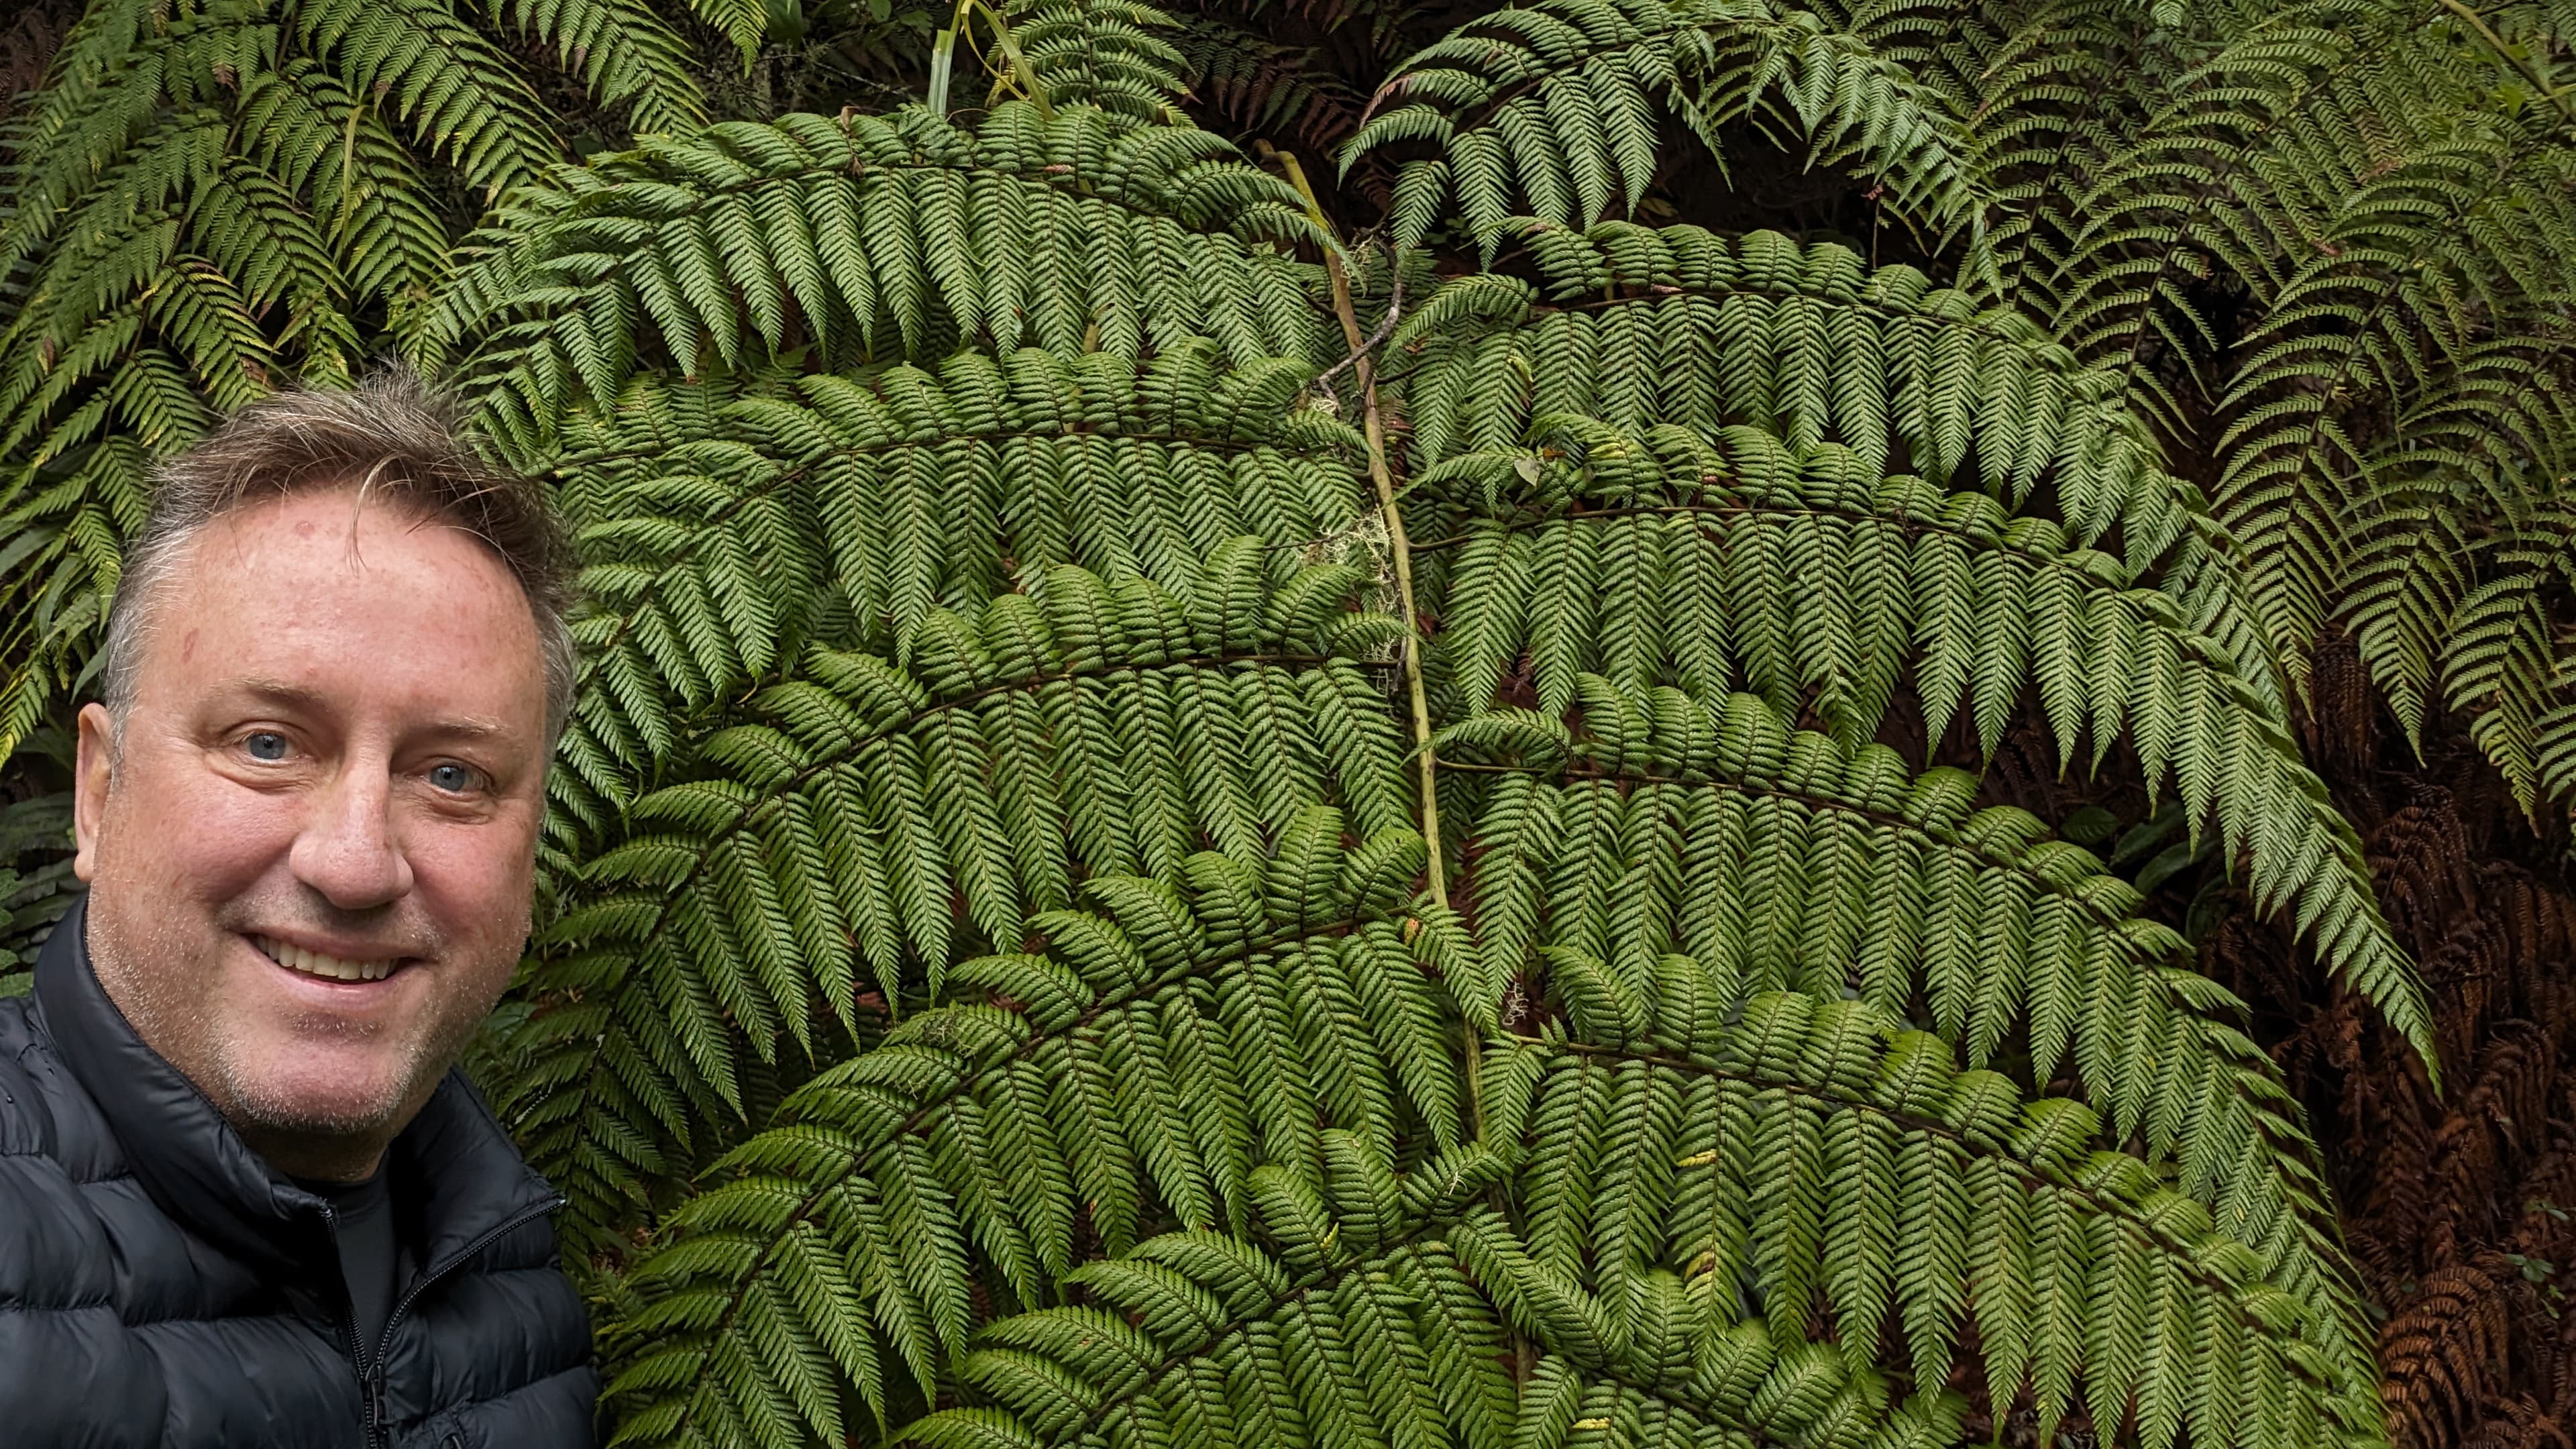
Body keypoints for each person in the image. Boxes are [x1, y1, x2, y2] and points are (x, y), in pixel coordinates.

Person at [0, 370, 598, 1445]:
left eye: (453, 776)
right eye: (267, 744)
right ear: (100, 792)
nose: (356, 863)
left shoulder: (520, 1297)